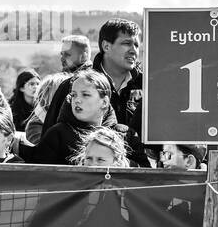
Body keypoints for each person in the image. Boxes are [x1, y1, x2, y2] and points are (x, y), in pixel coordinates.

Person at [42, 19, 148, 166]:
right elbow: (45, 152)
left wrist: (125, 164)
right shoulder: (73, 85)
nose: (134, 50)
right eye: (126, 43)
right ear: (106, 46)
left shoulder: (149, 88)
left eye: (136, 44)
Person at [24, 70, 118, 165]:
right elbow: (42, 175)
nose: (77, 100)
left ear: (105, 102)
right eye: (73, 95)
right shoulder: (57, 135)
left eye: (85, 95)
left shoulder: (120, 135)